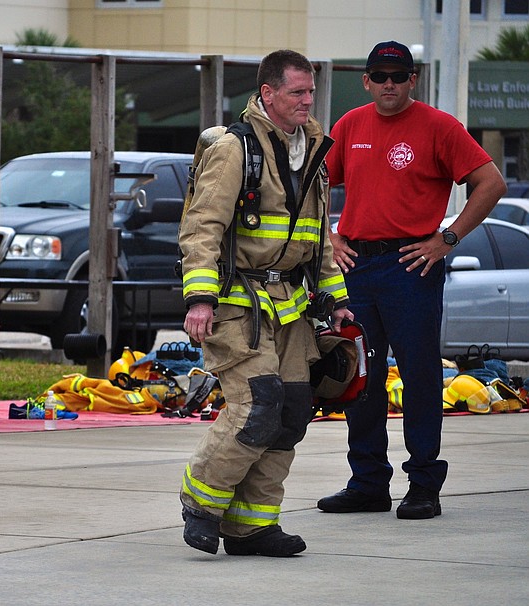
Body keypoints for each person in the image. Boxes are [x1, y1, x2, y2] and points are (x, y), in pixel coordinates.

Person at [318, 41, 506, 519]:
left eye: (398, 76)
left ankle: (423, 484)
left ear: (412, 80)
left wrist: (448, 238)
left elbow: (491, 183)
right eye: (380, 76)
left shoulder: (439, 127)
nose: (389, 84)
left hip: (411, 266)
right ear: (366, 81)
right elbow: (313, 185)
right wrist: (330, 238)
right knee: (360, 375)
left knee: (419, 375)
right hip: (357, 267)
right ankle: (368, 483)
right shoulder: (350, 125)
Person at [178, 49, 354, 556]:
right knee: (257, 405)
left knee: (292, 411)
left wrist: (336, 301)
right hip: (238, 305)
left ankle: (252, 526)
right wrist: (200, 298)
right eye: (297, 92)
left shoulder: (313, 149)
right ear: (268, 93)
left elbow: (318, 238)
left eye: (311, 92)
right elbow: (202, 227)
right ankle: (201, 503)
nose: (307, 101)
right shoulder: (235, 149)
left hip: (291, 307)